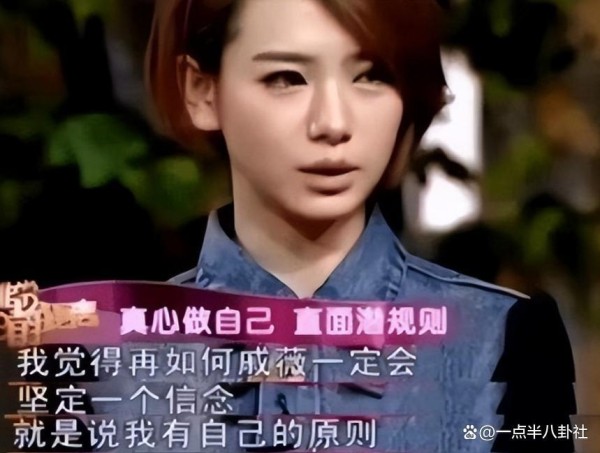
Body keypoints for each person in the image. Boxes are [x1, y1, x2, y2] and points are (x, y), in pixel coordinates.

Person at [146, 0, 576, 451]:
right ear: (202, 91)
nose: (333, 124)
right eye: (287, 78)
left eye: (372, 75)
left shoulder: (503, 336)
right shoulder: (114, 350)